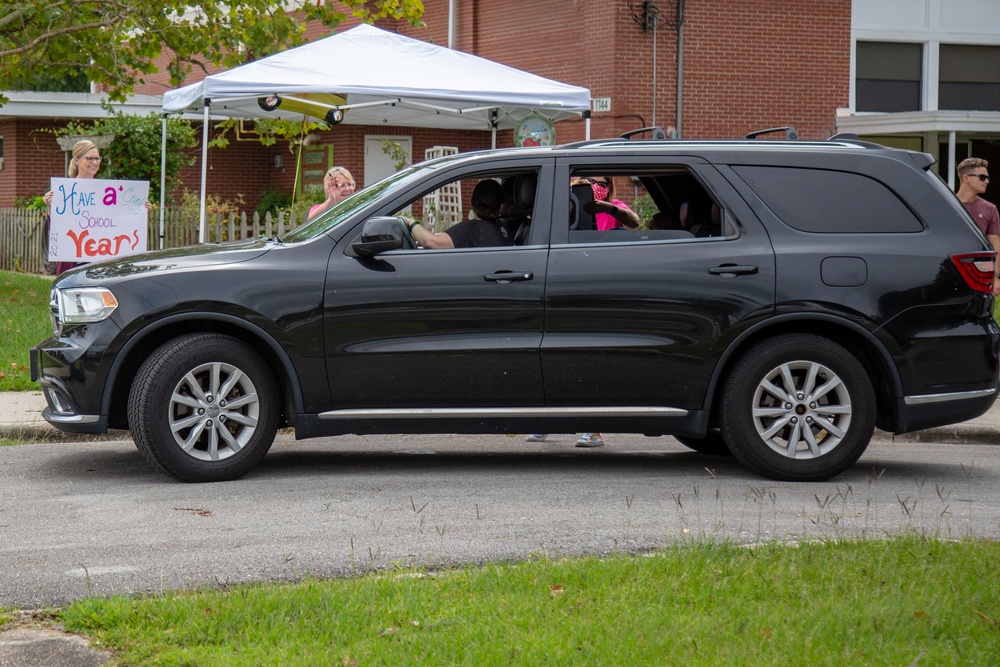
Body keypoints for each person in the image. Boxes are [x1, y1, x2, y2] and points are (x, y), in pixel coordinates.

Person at [43, 140, 102, 275]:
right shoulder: (65, 190)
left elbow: (117, 222)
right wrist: (51, 207)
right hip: (71, 260)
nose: (94, 162)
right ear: (76, 160)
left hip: (99, 258)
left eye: (97, 158)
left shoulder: (107, 192)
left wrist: (139, 211)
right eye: (89, 158)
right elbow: (56, 228)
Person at [408, 179, 515, 249]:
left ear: (471, 203)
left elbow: (431, 242)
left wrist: (410, 222)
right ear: (500, 206)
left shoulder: (473, 230)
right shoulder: (503, 229)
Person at [956, 158, 1000, 294]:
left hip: (979, 273)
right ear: (966, 178)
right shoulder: (948, 205)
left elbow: (995, 245)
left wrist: (996, 276)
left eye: (987, 177)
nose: (987, 181)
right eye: (982, 177)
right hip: (951, 268)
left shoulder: (990, 209)